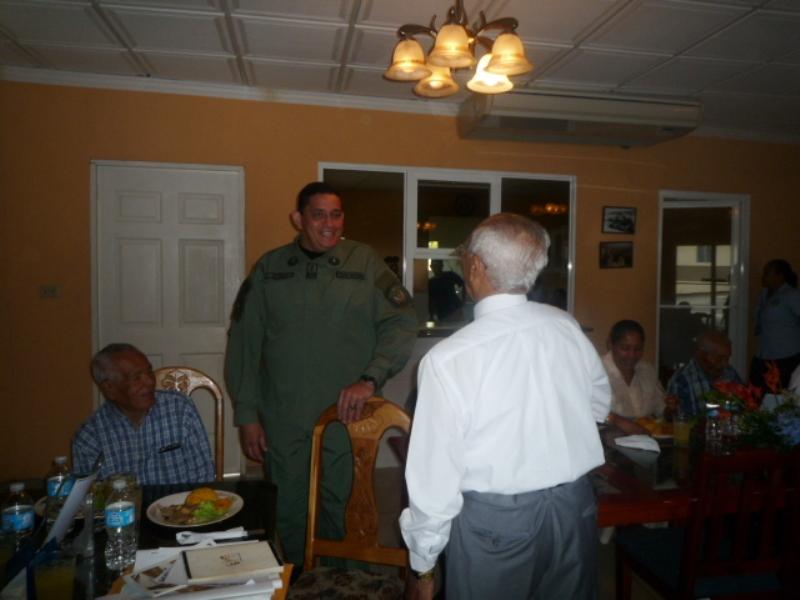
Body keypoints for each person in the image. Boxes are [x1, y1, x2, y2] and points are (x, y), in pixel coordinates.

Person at [400, 214, 610, 600]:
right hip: (574, 509)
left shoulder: (448, 359)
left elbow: (435, 478)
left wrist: (423, 565)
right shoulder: (566, 326)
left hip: (497, 525)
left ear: (476, 266)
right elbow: (599, 406)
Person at [225, 181, 417, 569]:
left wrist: (371, 378)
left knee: (346, 506)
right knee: (288, 507)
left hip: (347, 414)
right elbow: (244, 343)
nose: (329, 223)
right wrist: (247, 415)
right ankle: (296, 581)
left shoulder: (363, 262)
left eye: (336, 214)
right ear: (298, 219)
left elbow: (401, 321)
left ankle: (349, 583)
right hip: (284, 413)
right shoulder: (270, 268)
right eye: (318, 215)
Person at [73, 343, 215, 484]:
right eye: (136, 378)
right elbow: (90, 493)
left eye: (149, 371)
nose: (150, 382)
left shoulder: (180, 409)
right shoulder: (90, 437)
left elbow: (204, 475)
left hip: (180, 498)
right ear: (110, 388)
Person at [602, 320, 674, 434]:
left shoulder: (647, 370)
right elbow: (586, 410)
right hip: (607, 441)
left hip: (647, 440)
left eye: (638, 349)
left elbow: (661, 409)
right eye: (625, 348)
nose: (632, 355)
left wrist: (670, 408)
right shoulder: (597, 371)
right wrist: (616, 420)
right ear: (610, 344)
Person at [667, 330, 742, 417]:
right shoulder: (681, 380)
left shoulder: (730, 373)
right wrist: (671, 411)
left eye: (727, 359)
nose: (725, 364)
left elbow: (743, 408)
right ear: (701, 355)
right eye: (719, 358)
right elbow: (674, 419)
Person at [750, 259, 800, 390]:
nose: (764, 276)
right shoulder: (764, 294)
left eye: (768, 273)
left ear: (780, 276)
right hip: (764, 354)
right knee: (756, 390)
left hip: (786, 356)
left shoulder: (791, 295)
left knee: (780, 395)